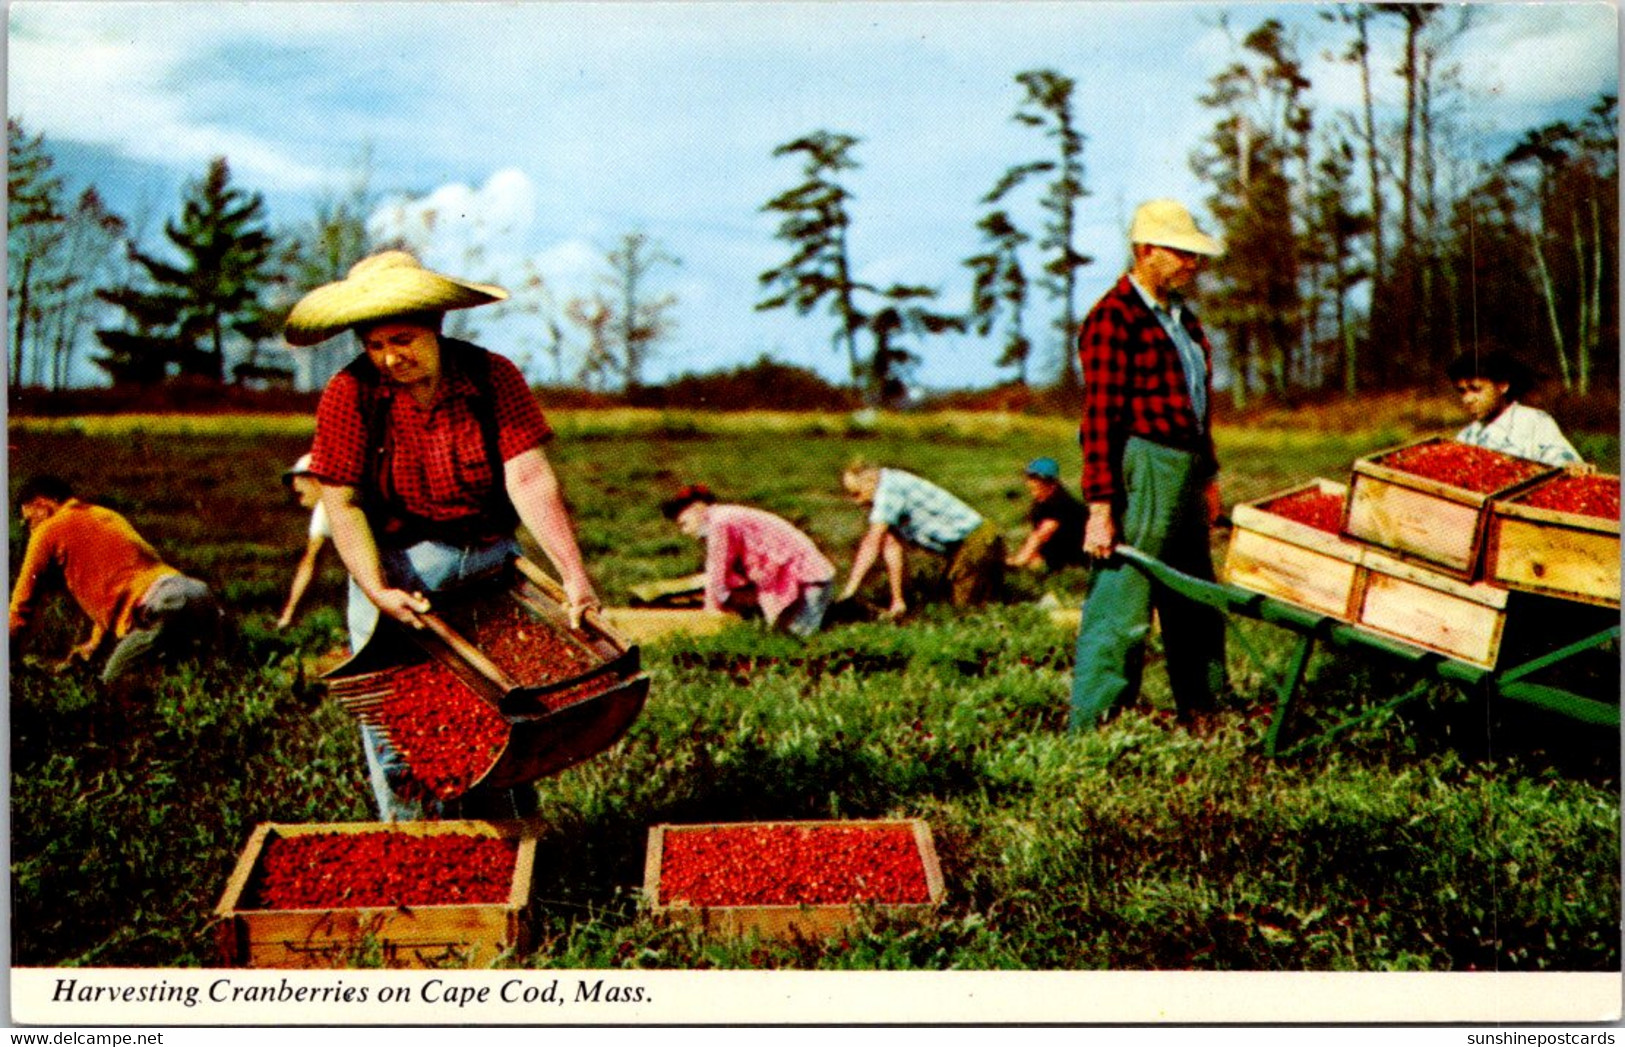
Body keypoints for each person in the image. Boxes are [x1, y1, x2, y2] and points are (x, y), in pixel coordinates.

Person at [284, 249, 602, 821]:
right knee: (403, 724)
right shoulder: (350, 393)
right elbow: (343, 499)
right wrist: (377, 589)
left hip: (486, 565)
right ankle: (418, 847)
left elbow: (527, 476)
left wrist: (573, 575)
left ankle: (512, 846)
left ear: (436, 327)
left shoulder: (489, 376)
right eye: (374, 344)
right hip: (397, 571)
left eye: (402, 339)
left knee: (508, 709)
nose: (388, 357)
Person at [1070, 199, 1228, 733]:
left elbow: (1198, 404)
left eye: (1194, 254)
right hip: (1144, 464)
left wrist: (1208, 475)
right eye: (1180, 252)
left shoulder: (1184, 319)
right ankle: (1098, 727)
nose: (1191, 263)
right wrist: (1100, 506)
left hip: (1186, 467)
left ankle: (1204, 711)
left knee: (1197, 597)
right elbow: (1099, 418)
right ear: (1144, 251)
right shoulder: (1114, 319)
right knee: (1123, 600)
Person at [9, 475, 221, 687]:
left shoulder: (47, 530)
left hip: (161, 606)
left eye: (28, 520)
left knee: (112, 685)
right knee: (187, 680)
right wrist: (93, 645)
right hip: (197, 595)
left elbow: (21, 607)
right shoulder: (105, 514)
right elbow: (119, 583)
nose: (30, 530)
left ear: (42, 505)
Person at [659, 484, 836, 637]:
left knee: (798, 637)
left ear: (697, 508)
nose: (684, 531)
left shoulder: (720, 522)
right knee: (783, 636)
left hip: (806, 579)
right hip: (799, 576)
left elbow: (717, 568)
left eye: (684, 523)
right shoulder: (725, 516)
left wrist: (710, 611)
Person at [836, 460, 1004, 619]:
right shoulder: (889, 484)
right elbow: (891, 546)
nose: (856, 501)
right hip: (966, 545)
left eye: (857, 494)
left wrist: (850, 589)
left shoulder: (888, 491)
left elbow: (871, 543)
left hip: (977, 541)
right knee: (955, 600)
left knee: (965, 612)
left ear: (870, 481)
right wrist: (897, 600)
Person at [1446, 350, 1585, 467]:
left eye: (1476, 389)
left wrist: (1570, 467)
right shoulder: (1466, 436)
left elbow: (1566, 463)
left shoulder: (1534, 422)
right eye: (1462, 391)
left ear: (1503, 385)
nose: (1468, 399)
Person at [275, 453, 333, 630]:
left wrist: (289, 615)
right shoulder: (329, 503)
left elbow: (311, 562)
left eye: (300, 477)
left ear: (316, 479)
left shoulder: (328, 504)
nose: (294, 484)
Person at [1006, 457, 1085, 572]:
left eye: (1035, 479)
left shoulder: (1059, 504)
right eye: (1029, 478)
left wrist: (1019, 561)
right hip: (1058, 550)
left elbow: (1042, 534)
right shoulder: (1042, 501)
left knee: (1034, 564)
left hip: (1077, 553)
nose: (1029, 483)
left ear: (1051, 484)